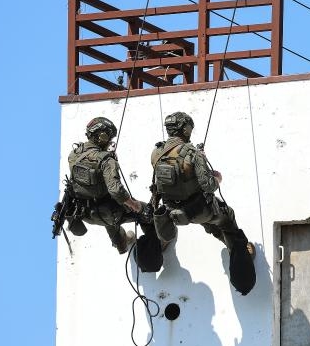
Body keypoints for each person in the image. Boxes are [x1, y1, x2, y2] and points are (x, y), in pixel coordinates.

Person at [150, 111, 256, 293]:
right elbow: (208, 186)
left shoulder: (157, 153)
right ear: (186, 129)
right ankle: (237, 252)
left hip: (173, 213)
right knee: (227, 217)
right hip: (198, 210)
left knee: (210, 223)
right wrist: (217, 178)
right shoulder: (192, 153)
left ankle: (166, 243)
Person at [65, 116, 147, 254]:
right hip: (107, 213)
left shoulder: (73, 154)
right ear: (102, 136)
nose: (110, 141)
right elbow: (116, 191)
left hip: (85, 213)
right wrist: (134, 205)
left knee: (106, 210)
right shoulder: (106, 160)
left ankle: (120, 242)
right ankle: (159, 245)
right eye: (109, 137)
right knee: (147, 211)